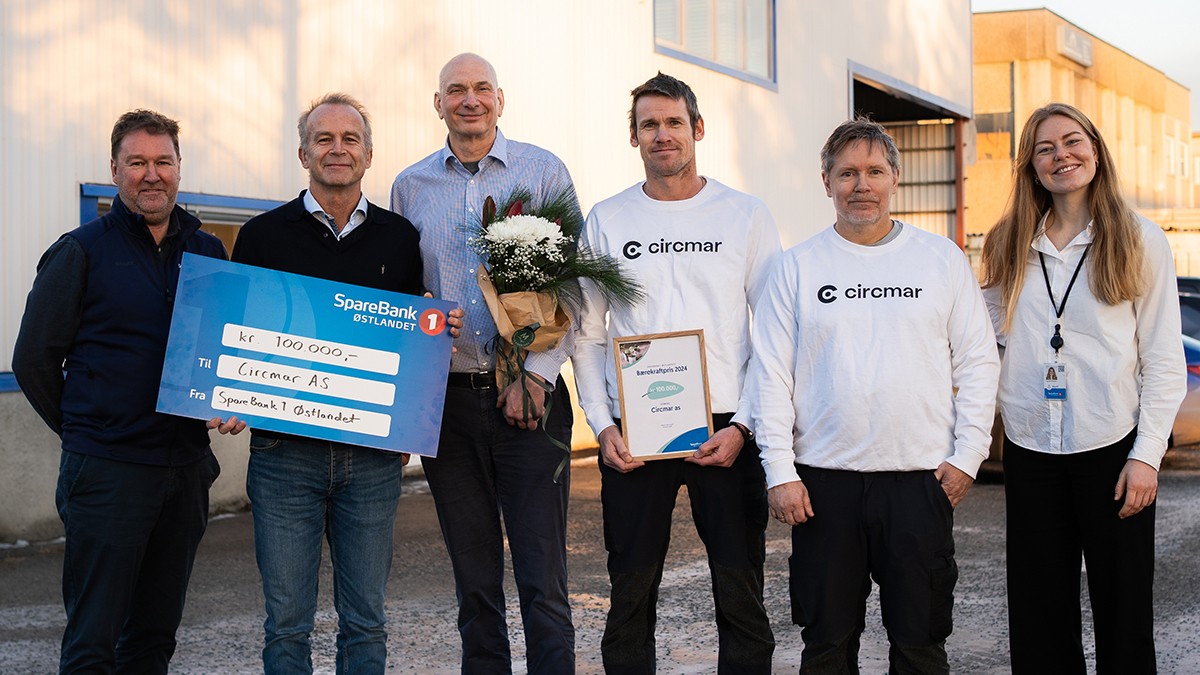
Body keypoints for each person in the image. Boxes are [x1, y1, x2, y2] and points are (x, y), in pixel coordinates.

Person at [746, 118, 1000, 673]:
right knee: (828, 643)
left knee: (920, 642)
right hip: (823, 484)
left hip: (919, 481)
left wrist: (967, 457)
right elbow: (770, 375)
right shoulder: (797, 267)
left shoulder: (940, 260)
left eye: (874, 172)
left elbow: (979, 360)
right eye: (848, 173)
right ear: (826, 181)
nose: (862, 185)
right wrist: (779, 472)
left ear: (895, 178)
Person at [12, 109, 245, 673]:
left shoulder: (209, 251)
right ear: (114, 170)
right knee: (94, 640)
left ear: (179, 168)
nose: (151, 174)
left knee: (154, 638)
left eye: (163, 161)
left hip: (184, 470)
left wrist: (231, 398)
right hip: (109, 472)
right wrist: (89, 432)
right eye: (137, 162)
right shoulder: (81, 251)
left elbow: (227, 347)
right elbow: (34, 359)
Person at [232, 93, 452, 675]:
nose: (337, 149)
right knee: (286, 627)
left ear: (369, 154)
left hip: (372, 459)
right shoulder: (260, 236)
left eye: (350, 139)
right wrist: (225, 391)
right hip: (283, 455)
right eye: (324, 139)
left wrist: (435, 328)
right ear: (302, 152)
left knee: (365, 623)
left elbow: (411, 335)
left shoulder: (401, 239)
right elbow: (238, 332)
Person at [572, 72, 780, 673]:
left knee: (741, 593)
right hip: (639, 429)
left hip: (728, 428)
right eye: (649, 125)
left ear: (698, 129)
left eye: (673, 123)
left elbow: (773, 332)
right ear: (633, 137)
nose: (662, 135)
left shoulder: (744, 215)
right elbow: (587, 334)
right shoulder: (608, 219)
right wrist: (604, 425)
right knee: (630, 593)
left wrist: (745, 426)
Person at [979, 102, 1186, 674]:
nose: (1060, 156)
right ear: (1030, 166)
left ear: (1095, 149)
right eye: (1045, 149)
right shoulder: (1008, 242)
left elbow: (1165, 362)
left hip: (1114, 450)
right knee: (1038, 615)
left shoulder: (1139, 239)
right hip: (1030, 451)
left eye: (1072, 142)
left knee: (1123, 614)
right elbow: (980, 341)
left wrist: (1146, 458)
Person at [390, 53, 578, 673]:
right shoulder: (410, 186)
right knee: (473, 578)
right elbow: (403, 291)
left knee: (542, 576)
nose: (469, 100)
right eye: (455, 91)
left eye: (480, 89)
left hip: (530, 399)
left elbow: (576, 285)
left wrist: (535, 376)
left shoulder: (543, 170)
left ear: (500, 99)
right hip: (448, 402)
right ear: (437, 103)